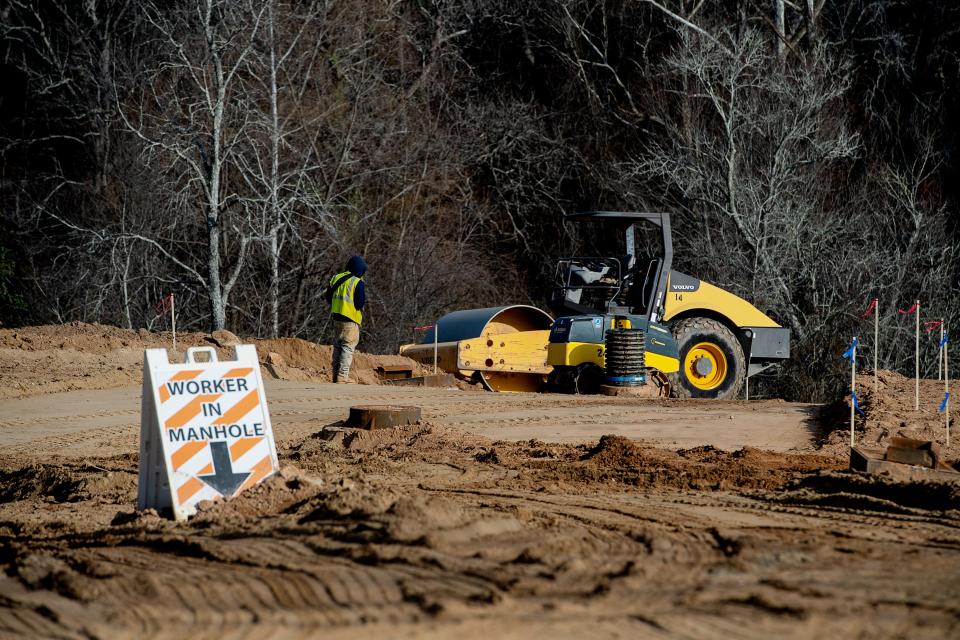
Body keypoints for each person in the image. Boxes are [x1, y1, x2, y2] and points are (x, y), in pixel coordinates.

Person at [326, 255, 367, 383]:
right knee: (348, 347)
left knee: (338, 346)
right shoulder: (357, 282)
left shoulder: (336, 278)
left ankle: (335, 376)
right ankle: (343, 377)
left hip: (336, 318)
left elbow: (328, 297)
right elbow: (360, 303)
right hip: (350, 320)